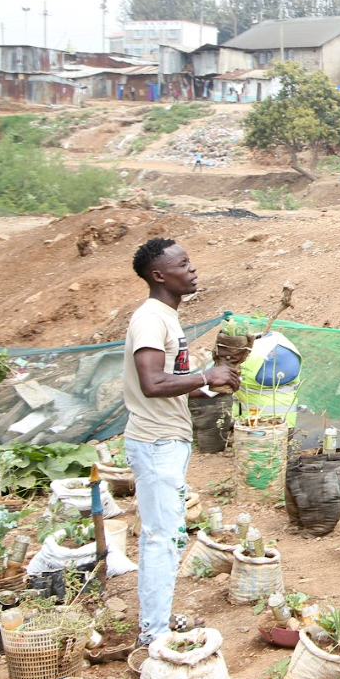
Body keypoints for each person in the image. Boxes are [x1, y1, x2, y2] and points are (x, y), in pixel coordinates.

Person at [123, 238, 239, 644]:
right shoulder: (151, 320)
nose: (192, 269)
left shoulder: (167, 318)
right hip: (155, 442)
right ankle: (153, 635)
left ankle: (157, 623)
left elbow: (170, 382)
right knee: (161, 539)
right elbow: (152, 382)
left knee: (166, 535)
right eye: (183, 263)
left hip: (166, 440)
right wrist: (208, 376)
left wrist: (208, 388)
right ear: (159, 275)